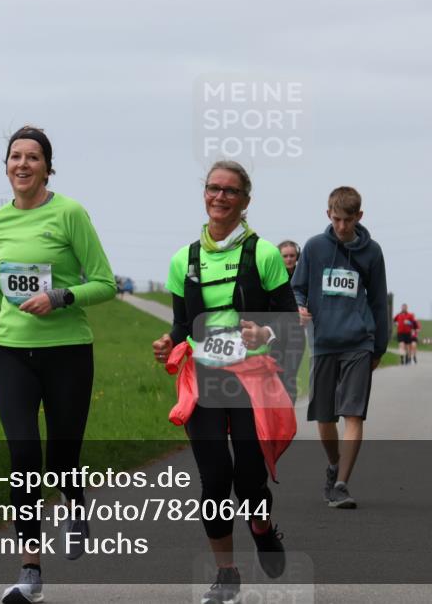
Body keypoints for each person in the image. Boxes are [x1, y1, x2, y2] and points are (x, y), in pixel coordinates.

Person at [0, 125, 116, 604]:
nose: (23, 164)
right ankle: (30, 570)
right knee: (24, 457)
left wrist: (59, 296)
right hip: (11, 352)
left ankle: (74, 502)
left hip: (68, 351)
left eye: (33, 157)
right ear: (6, 166)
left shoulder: (69, 213)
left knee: (62, 457)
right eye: (15, 156)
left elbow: (105, 283)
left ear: (48, 167)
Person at [152, 159, 298, 604]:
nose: (220, 197)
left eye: (230, 191)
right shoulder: (185, 259)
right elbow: (182, 326)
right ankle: (226, 574)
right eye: (213, 189)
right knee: (215, 478)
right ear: (205, 195)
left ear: (245, 201)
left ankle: (261, 526)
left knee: (250, 480)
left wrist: (265, 332)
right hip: (205, 377)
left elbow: (290, 321)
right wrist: (167, 341)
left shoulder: (265, 254)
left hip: (252, 379)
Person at [292, 186, 389, 509]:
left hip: (359, 343)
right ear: (328, 215)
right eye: (337, 219)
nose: (342, 226)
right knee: (324, 417)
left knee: (353, 414)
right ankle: (334, 465)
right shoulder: (315, 247)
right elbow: (298, 289)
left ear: (359, 217)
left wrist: (378, 347)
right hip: (322, 343)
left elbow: (377, 302)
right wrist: (299, 307)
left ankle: (343, 484)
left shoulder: (372, 252)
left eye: (348, 220)